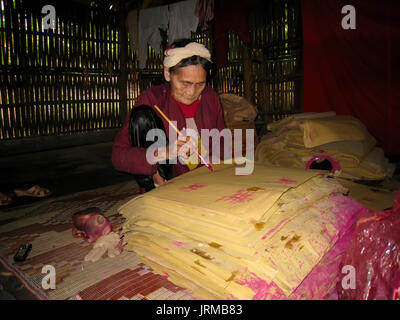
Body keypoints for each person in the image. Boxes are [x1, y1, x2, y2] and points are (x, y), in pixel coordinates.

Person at [112, 39, 228, 192]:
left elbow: (221, 142)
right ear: (168, 73)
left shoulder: (210, 98)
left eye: (200, 84)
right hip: (166, 184)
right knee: (142, 117)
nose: (191, 92)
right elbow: (118, 157)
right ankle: (157, 183)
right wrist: (166, 151)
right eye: (185, 83)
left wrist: (217, 159)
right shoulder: (152, 99)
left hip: (203, 181)